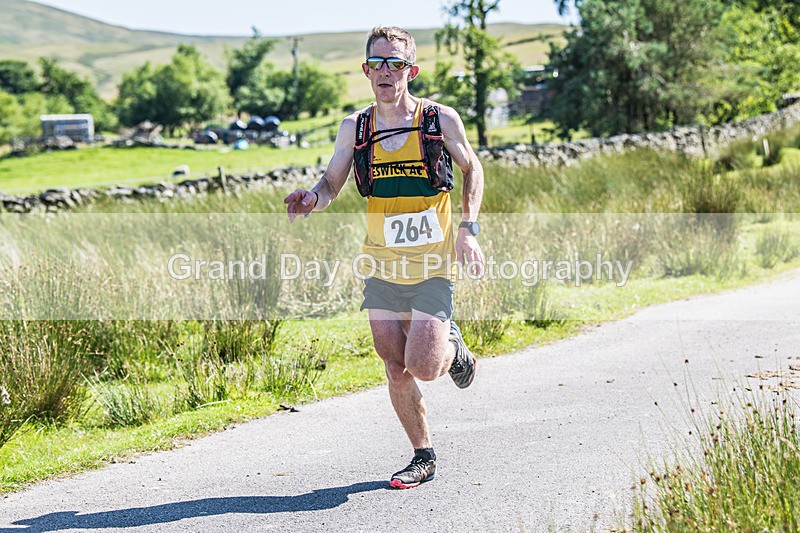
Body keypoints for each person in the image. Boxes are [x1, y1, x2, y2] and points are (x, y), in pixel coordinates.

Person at [284, 26, 485, 489]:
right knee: (394, 365)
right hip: (381, 264)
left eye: (396, 63)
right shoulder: (356, 128)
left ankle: (454, 349)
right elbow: (331, 184)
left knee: (424, 366)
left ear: (411, 71)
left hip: (432, 263)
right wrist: (312, 199)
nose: (386, 72)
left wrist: (469, 229)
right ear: (366, 70)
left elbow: (472, 168)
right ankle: (423, 456)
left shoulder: (439, 119)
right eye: (377, 64)